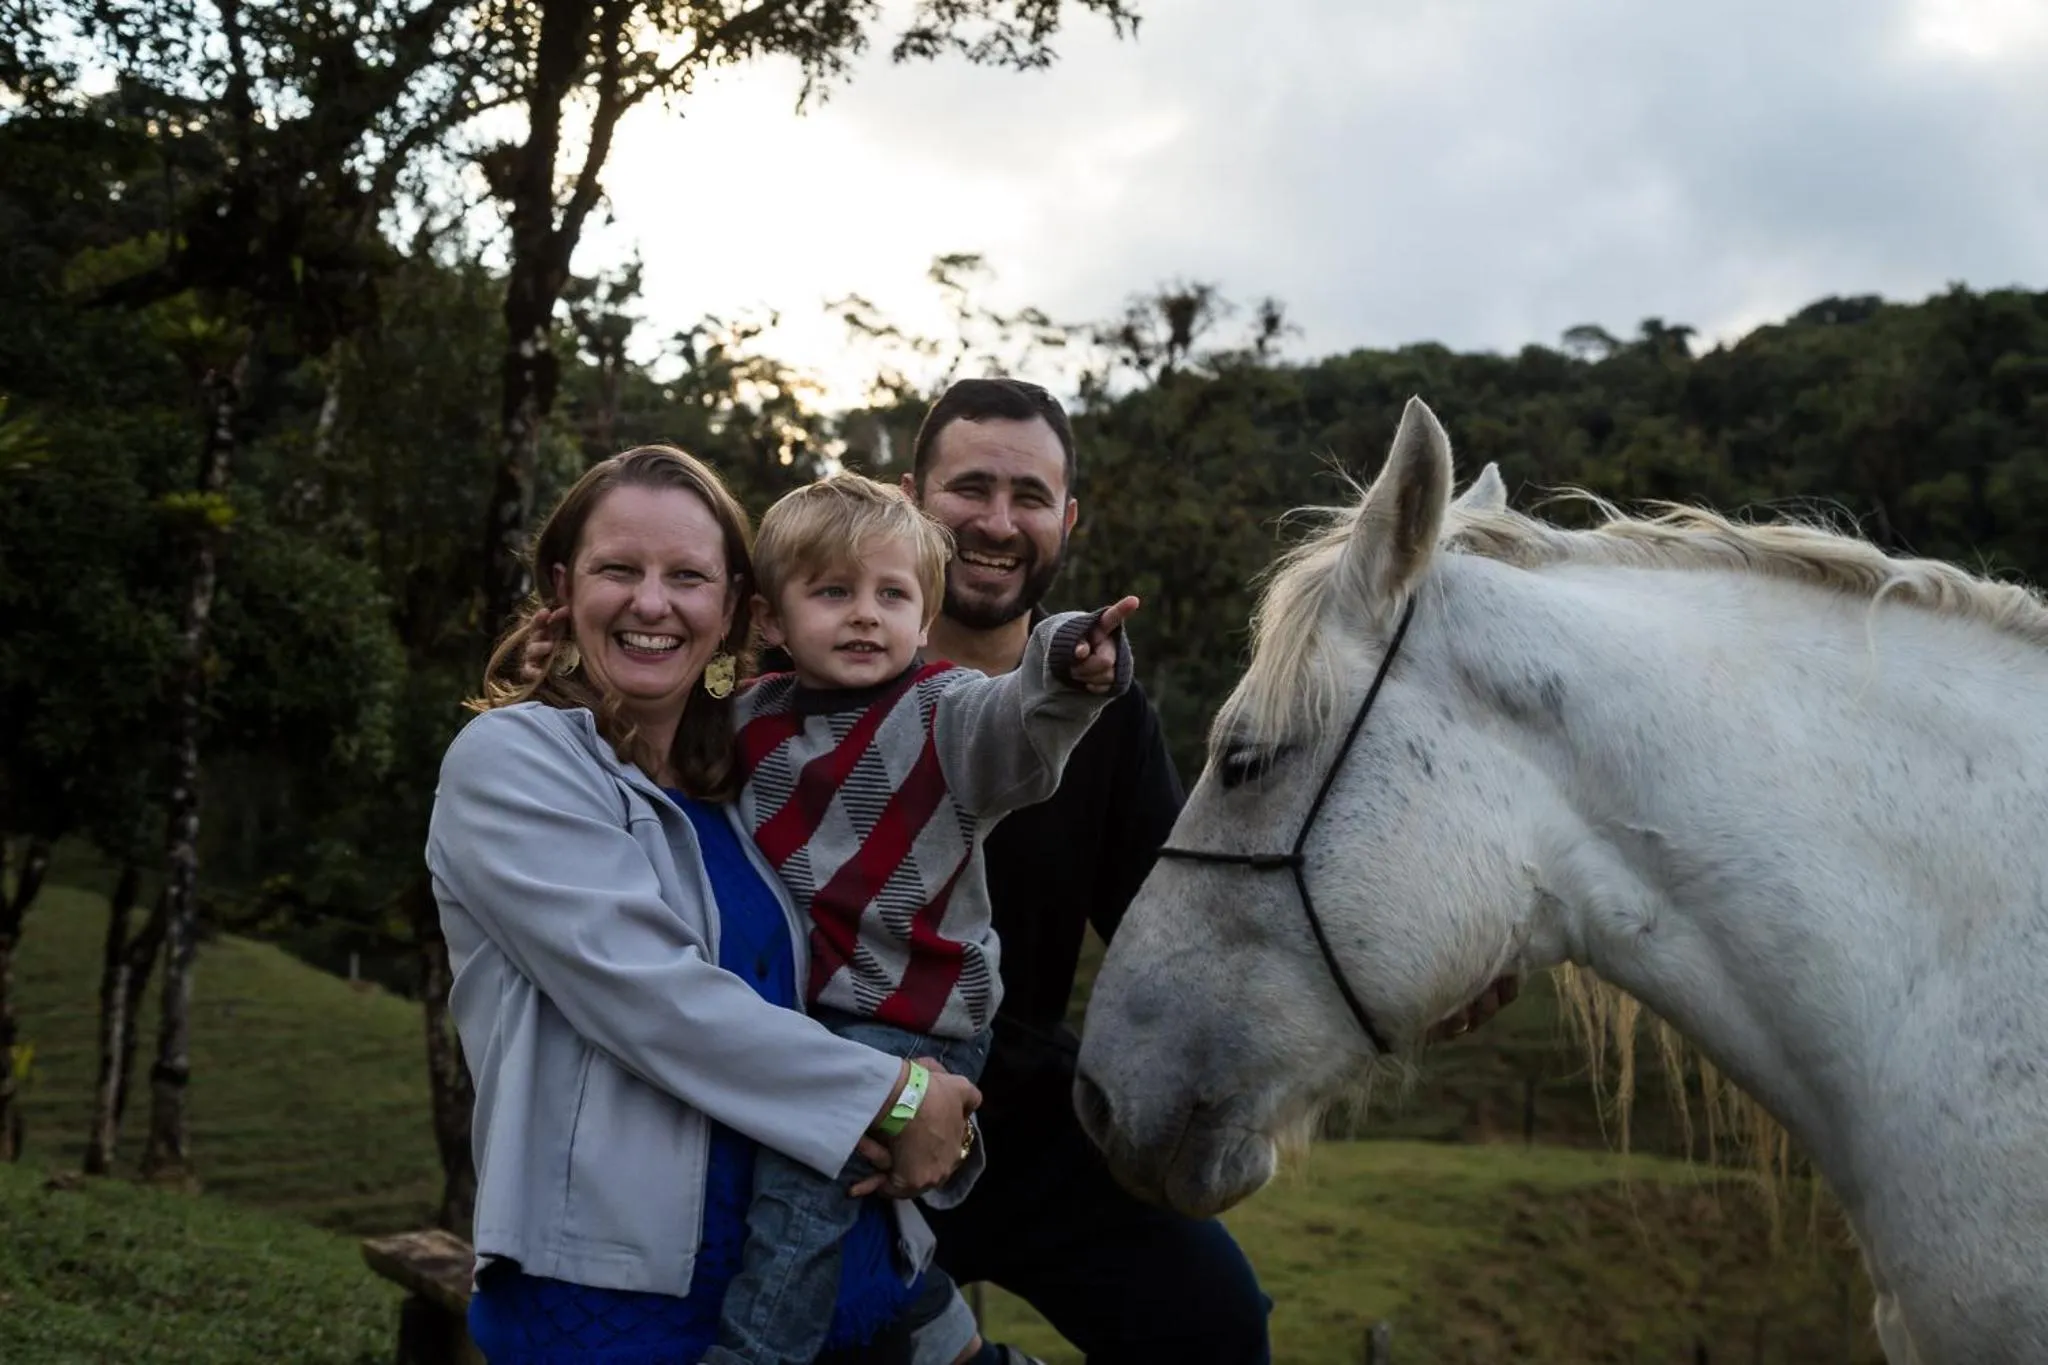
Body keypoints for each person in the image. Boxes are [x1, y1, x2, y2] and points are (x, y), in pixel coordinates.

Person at [896, 379, 1517, 1365]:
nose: (997, 523)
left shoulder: (1106, 711)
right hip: (844, 1106)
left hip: (1022, 1110)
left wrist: (1407, 979)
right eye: (968, 488)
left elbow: (1192, 920)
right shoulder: (821, 683)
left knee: (1216, 1328)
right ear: (909, 498)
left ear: (1067, 520)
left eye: (1028, 499)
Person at [427, 445, 984, 1365]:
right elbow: (651, 996)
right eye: (619, 570)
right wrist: (894, 1095)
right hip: (623, 1299)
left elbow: (888, 933)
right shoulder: (512, 762)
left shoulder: (746, 776)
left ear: (732, 606)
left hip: (838, 1275)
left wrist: (938, 1097)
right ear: (565, 587)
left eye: (687, 576)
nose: (653, 603)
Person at [704, 472, 1139, 1365]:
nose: (866, 615)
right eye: (833, 592)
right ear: (773, 621)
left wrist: (1065, 659)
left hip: (914, 1020)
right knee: (828, 1213)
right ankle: (953, 1346)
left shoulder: (943, 710)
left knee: (806, 1186)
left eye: (892, 595)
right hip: (801, 1018)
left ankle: (752, 1354)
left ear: (925, 613)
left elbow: (1021, 721)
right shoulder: (748, 721)